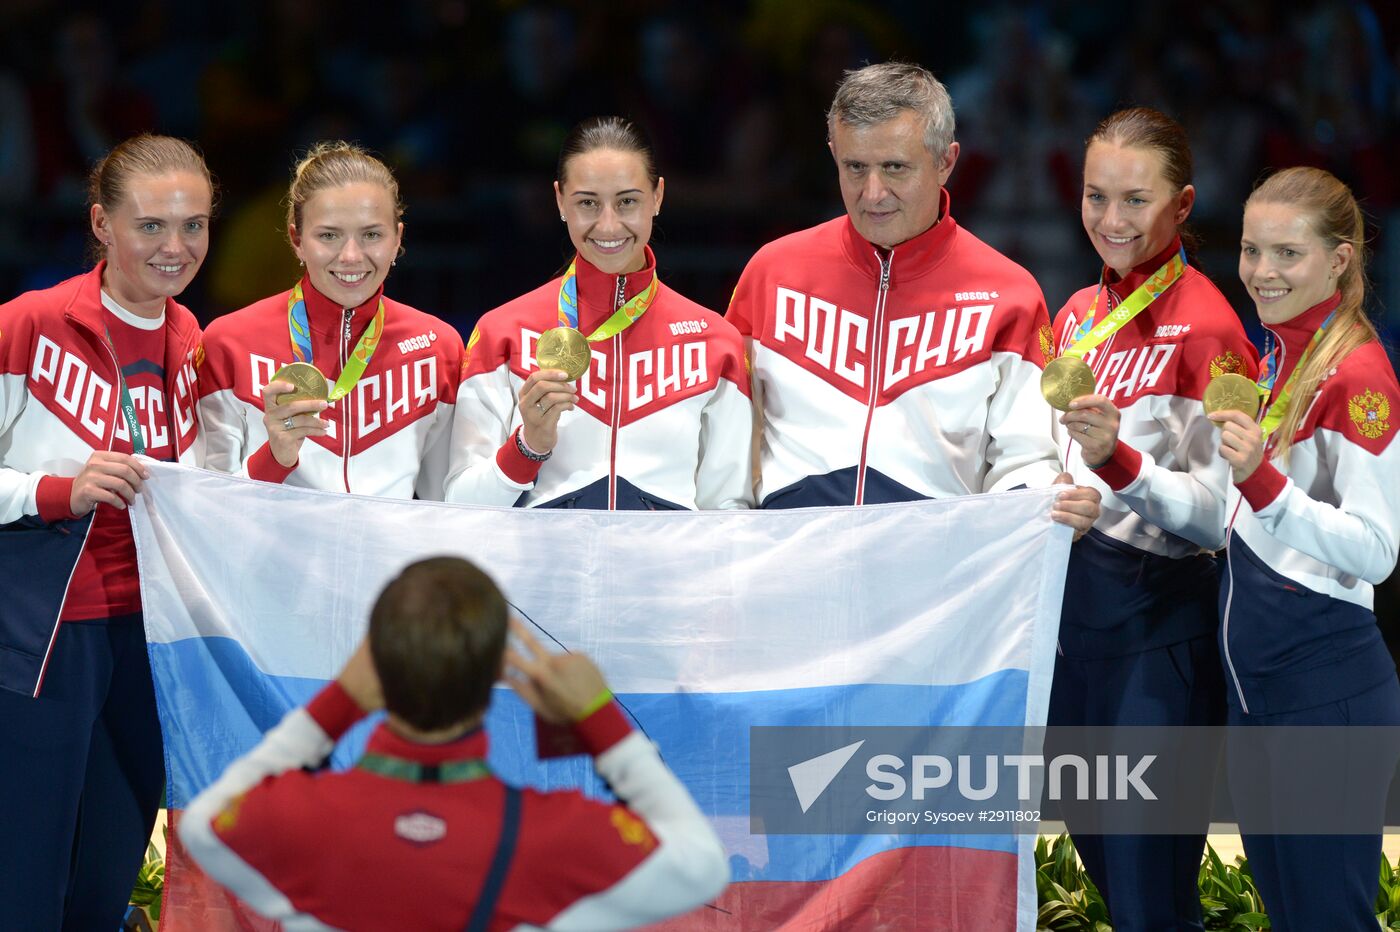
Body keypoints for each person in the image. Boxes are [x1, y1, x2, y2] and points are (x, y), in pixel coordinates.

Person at [179, 556, 730, 930]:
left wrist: (338, 702)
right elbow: (702, 866)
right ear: (496, 676)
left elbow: (202, 825)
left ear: (374, 664)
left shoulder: (302, 817)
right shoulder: (549, 834)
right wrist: (598, 719)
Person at [724, 61, 1099, 534]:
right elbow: (726, 438)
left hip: (934, 580)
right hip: (791, 569)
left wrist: (1048, 503)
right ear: (833, 153)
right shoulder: (771, 272)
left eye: (895, 168)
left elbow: (1023, 458)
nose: (872, 193)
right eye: (854, 167)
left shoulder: (1011, 293)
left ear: (946, 161)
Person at [1044, 107, 1258, 931]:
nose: (1111, 220)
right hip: (1075, 636)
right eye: (1097, 197)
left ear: (1183, 205)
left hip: (1158, 638)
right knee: (1109, 877)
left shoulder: (1208, 327)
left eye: (1136, 200)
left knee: (1148, 896)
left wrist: (1118, 467)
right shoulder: (1074, 316)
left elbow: (1218, 519)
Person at [0, 134, 213, 929]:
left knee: (107, 884)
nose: (175, 246)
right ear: (101, 222)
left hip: (149, 646)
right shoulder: (27, 326)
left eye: (193, 226)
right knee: (24, 889)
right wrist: (55, 490)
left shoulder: (196, 342)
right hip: (42, 644)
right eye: (151, 225)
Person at [1213, 167, 1400, 930]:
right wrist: (1117, 464)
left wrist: (1260, 479)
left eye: (1287, 254)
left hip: (1325, 695)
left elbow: (1378, 550)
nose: (1261, 272)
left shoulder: (1359, 376)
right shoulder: (1278, 360)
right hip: (1264, 698)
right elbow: (1246, 530)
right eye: (1253, 251)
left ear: (1340, 259)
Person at [444, 116, 752, 510]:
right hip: (544, 571)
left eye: (627, 201)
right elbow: (460, 506)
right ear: (559, 201)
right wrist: (527, 447)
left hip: (666, 572)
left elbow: (728, 511)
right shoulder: (503, 332)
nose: (608, 225)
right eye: (588, 203)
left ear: (657, 197)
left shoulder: (714, 342)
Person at [197, 141, 463, 498]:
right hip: (268, 554)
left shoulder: (437, 346)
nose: (351, 256)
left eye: (371, 234)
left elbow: (447, 504)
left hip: (393, 556)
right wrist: (275, 457)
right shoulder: (229, 341)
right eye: (328, 235)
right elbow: (207, 508)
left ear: (398, 238)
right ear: (296, 240)